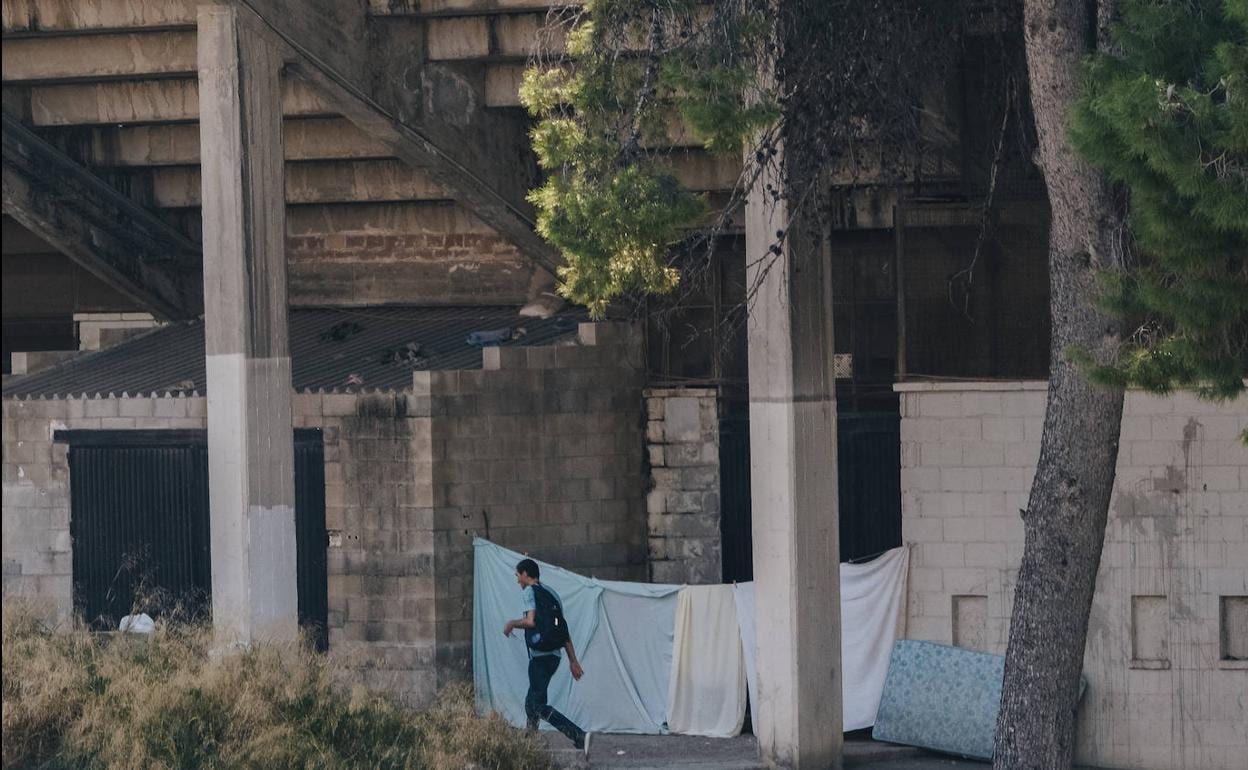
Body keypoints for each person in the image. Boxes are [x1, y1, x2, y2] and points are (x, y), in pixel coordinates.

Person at [503, 558, 592, 758]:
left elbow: (530, 621)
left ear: (526, 574)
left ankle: (579, 735)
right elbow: (563, 630)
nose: (518, 580)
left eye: (518, 575)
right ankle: (529, 748)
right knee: (531, 702)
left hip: (540, 658)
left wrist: (511, 624)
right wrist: (573, 661)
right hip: (554, 657)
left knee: (537, 705)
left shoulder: (528, 592)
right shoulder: (552, 594)